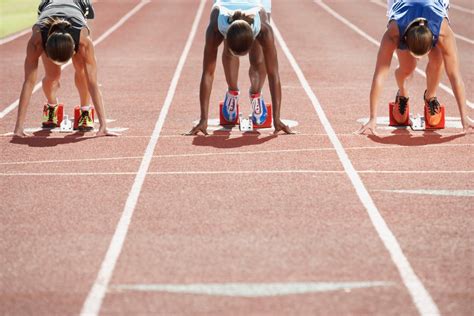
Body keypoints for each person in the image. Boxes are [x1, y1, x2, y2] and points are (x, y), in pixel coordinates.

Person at [358, 0, 473, 135]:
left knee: (438, 59)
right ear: (405, 40)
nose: (419, 59)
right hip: (403, 9)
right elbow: (380, 74)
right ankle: (402, 93)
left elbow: (454, 75)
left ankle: (430, 97)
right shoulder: (393, 33)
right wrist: (373, 118)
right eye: (415, 54)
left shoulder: (443, 31)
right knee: (408, 67)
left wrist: (464, 118)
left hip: (434, 8)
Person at [13, 0, 117, 137]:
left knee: (82, 71)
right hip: (48, 7)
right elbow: (29, 82)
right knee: (52, 76)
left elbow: (93, 82)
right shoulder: (37, 40)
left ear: (74, 48)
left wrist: (103, 124)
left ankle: (84, 111)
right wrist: (18, 127)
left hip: (78, 6)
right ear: (46, 48)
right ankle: (52, 106)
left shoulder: (83, 41)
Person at [188, 0, 293, 135]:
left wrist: (277, 118)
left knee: (259, 58)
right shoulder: (215, 27)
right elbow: (207, 73)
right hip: (226, 4)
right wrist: (203, 119)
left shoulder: (264, 30)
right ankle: (232, 93)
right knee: (230, 54)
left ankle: (256, 96)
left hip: (257, 3)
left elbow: (273, 74)